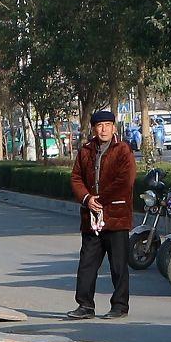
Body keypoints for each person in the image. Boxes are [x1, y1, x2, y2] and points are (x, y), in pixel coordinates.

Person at [69, 107, 137, 320]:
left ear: (113, 128)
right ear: (93, 129)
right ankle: (85, 306)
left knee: (118, 266)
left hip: (116, 217)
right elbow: (76, 178)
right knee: (87, 264)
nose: (104, 129)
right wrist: (88, 199)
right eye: (100, 126)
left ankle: (119, 306)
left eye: (107, 125)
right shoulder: (85, 151)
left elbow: (125, 181)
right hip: (91, 219)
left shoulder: (123, 150)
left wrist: (101, 199)